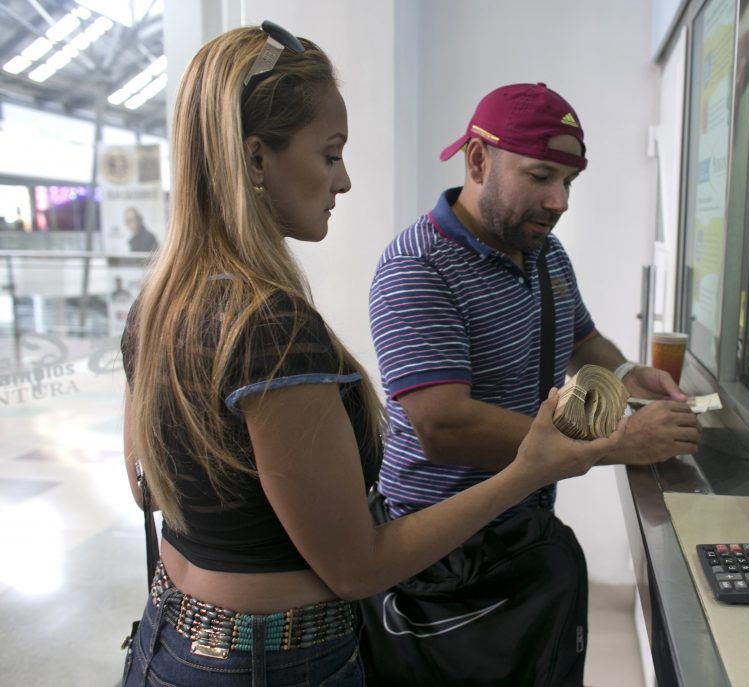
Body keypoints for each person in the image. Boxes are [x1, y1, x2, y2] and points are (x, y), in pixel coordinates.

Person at [119, 26, 622, 687]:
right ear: (256, 159)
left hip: (170, 638)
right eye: (330, 155)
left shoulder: (160, 305)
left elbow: (145, 486)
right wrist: (528, 468)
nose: (346, 179)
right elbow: (357, 566)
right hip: (275, 664)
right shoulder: (273, 328)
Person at [367, 83, 701, 680]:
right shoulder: (417, 268)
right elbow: (443, 426)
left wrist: (629, 372)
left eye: (568, 183)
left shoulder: (545, 252)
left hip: (526, 534)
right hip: (441, 558)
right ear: (477, 160)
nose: (559, 201)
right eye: (541, 175)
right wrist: (617, 444)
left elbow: (580, 341)